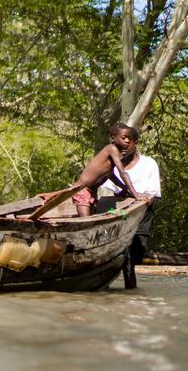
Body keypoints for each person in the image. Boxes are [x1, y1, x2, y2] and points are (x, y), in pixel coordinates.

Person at [97, 124, 161, 289]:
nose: (124, 146)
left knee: (132, 257)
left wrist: (139, 200)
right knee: (108, 252)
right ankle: (103, 284)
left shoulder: (149, 163)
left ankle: (130, 288)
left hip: (141, 211)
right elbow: (109, 190)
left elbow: (152, 194)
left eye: (129, 141)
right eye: (121, 142)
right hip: (118, 210)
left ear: (136, 143)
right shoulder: (112, 164)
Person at [38, 123, 146, 218]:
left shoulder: (115, 155)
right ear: (113, 139)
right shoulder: (111, 149)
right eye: (124, 138)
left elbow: (110, 175)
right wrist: (136, 195)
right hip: (82, 190)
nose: (127, 141)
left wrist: (124, 189)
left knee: (89, 220)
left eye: (129, 138)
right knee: (86, 222)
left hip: (91, 192)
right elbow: (123, 173)